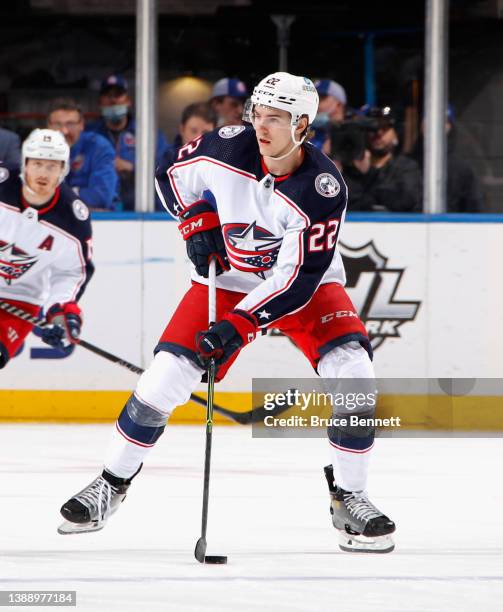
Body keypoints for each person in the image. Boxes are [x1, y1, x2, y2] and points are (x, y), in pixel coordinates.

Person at [58, 72, 396, 554]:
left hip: (307, 285)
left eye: (275, 118)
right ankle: (110, 484)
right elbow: (167, 175)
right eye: (257, 113)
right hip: (229, 279)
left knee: (355, 375)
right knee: (163, 379)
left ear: (303, 124)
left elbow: (296, 280)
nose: (261, 125)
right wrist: (196, 222)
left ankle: (351, 497)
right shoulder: (225, 145)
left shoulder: (322, 189)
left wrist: (239, 325)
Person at [0, 129, 94, 369]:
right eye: (38, 164)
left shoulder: (73, 219)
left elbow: (72, 273)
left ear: (62, 170)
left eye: (51, 166)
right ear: (25, 165)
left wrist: (61, 315)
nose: (43, 173)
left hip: (20, 300)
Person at [86, 75, 169, 210]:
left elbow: (165, 169)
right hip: (99, 210)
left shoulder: (148, 133)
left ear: (128, 101)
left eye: (118, 95)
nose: (113, 100)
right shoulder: (90, 135)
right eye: (107, 96)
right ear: (100, 102)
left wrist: (132, 167)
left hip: (141, 210)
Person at [341, 106, 422, 212]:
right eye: (372, 129)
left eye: (385, 128)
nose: (378, 133)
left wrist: (368, 174)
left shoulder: (406, 167)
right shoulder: (351, 167)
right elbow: (343, 202)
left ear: (396, 134)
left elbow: (407, 201)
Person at [47, 99, 118, 211]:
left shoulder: (99, 147)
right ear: (49, 126)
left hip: (98, 222)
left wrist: (54, 198)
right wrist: (77, 193)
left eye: (70, 124)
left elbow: (100, 197)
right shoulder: (39, 149)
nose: (64, 131)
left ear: (81, 125)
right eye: (57, 124)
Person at [409, 105, 483, 212]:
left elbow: (475, 210)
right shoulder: (406, 164)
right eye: (428, 120)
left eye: (442, 121)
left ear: (450, 127)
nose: (434, 126)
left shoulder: (462, 169)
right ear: (421, 125)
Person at [310, 79, 347, 153]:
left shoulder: (356, 130)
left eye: (322, 98)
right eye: (314, 98)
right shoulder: (309, 132)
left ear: (338, 104)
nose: (316, 102)